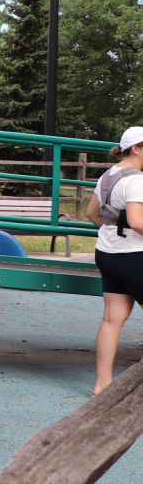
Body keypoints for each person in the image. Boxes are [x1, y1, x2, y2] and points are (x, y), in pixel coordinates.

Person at [87, 126, 143, 395]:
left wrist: (112, 228)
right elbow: (136, 222)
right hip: (134, 255)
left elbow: (92, 213)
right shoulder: (137, 180)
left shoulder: (107, 175)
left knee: (113, 318)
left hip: (107, 252)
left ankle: (102, 384)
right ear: (137, 148)